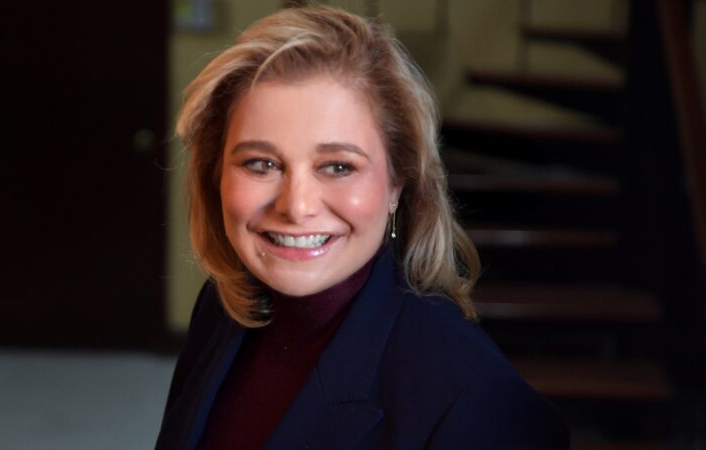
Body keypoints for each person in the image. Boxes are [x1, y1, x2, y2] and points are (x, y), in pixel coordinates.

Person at [156, 5, 569, 450]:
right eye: (262, 164)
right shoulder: (220, 305)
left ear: (397, 184)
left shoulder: (479, 403)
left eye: (338, 166)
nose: (297, 206)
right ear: (215, 174)